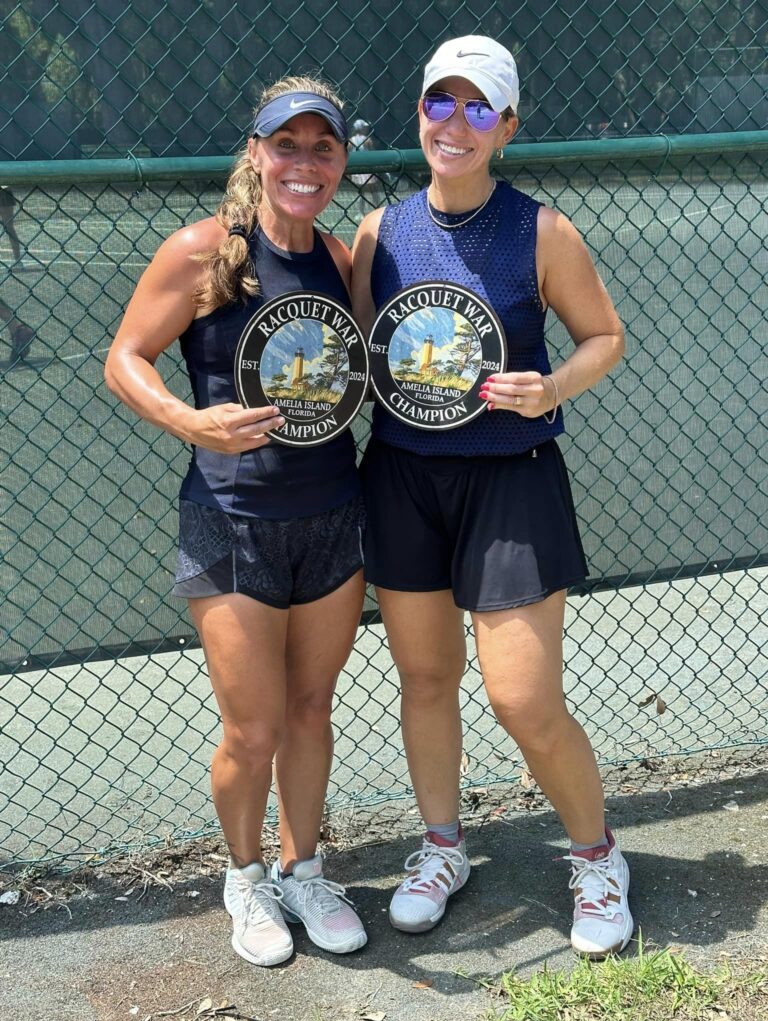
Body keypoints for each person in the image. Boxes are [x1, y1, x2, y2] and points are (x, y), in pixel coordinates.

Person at [352, 37, 630, 958]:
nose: (455, 124)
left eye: (480, 108)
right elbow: (352, 353)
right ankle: (442, 848)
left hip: (510, 477)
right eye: (442, 102)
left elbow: (603, 339)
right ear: (420, 114)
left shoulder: (542, 230)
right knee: (426, 679)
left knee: (521, 698)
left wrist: (552, 387)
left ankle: (596, 857)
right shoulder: (379, 231)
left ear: (507, 128)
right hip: (401, 476)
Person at [105, 75, 368, 967]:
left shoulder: (340, 261)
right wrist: (189, 419)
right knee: (251, 728)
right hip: (230, 520)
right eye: (284, 144)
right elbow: (125, 357)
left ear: (340, 162)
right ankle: (246, 878)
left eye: (321, 147)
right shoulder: (202, 251)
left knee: (310, 707)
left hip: (333, 516)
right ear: (254, 153)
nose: (303, 162)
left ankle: (306, 870)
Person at [348, 119, 382, 219]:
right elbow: (373, 153)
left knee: (360, 192)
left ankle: (360, 213)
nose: (366, 129)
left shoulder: (351, 140)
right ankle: (377, 209)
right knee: (374, 190)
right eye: (364, 127)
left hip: (357, 169)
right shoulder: (367, 140)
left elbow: (348, 154)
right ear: (361, 129)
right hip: (368, 169)